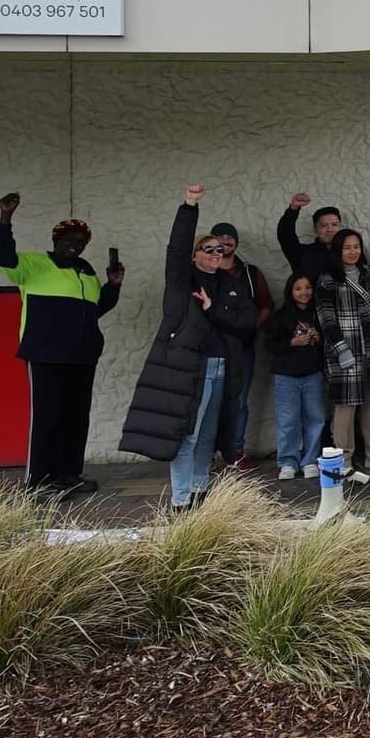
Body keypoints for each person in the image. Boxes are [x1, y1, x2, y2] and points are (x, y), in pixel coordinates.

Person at [0, 191, 123, 501]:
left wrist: (112, 287)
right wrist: (5, 219)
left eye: (81, 241)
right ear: (56, 241)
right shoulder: (33, 265)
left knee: (76, 417)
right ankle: (38, 481)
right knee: (47, 418)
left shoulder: (86, 271)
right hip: (46, 355)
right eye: (69, 239)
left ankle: (68, 475)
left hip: (82, 356)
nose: (75, 244)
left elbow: (94, 309)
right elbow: (1, 256)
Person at [119, 186, 239, 511]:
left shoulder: (229, 283)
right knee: (186, 434)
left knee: (206, 436)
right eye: (208, 248)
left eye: (220, 249)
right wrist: (189, 207)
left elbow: (243, 321)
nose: (216, 253)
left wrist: (216, 308)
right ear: (195, 254)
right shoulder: (181, 282)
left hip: (219, 365)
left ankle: (200, 492)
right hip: (189, 367)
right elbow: (176, 247)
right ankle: (181, 500)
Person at [316, 225, 370, 474]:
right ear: (338, 250)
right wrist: (340, 348)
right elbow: (326, 318)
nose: (353, 251)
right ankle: (343, 458)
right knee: (345, 406)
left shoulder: (368, 273)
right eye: (347, 247)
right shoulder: (327, 279)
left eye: (356, 246)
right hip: (345, 350)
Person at [208, 220, 275, 472]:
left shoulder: (249, 273)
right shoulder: (205, 271)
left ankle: (235, 452)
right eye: (220, 237)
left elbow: (267, 305)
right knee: (208, 401)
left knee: (238, 401)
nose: (225, 241)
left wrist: (253, 327)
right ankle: (206, 453)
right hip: (210, 349)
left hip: (242, 348)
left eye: (230, 237)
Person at [265, 274, 327, 480]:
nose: (304, 293)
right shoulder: (280, 316)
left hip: (313, 374)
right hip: (286, 376)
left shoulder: (320, 315)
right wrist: (292, 343)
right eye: (298, 288)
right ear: (290, 291)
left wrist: (319, 339)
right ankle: (288, 461)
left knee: (315, 418)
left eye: (308, 287)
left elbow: (331, 343)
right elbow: (269, 345)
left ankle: (310, 460)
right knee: (288, 420)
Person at [277, 192, 341, 282]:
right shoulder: (302, 254)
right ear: (315, 229)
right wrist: (293, 209)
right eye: (324, 225)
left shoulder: (352, 252)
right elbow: (285, 236)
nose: (330, 229)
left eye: (334, 224)